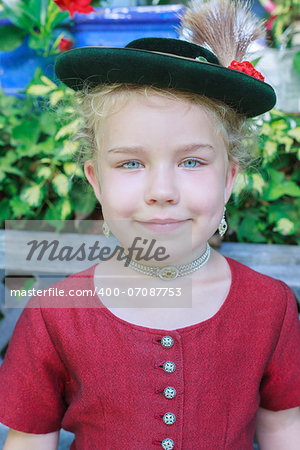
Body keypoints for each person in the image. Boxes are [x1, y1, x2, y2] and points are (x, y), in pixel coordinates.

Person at [0, 0, 299, 449]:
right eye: (132, 163)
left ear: (229, 178)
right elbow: (29, 442)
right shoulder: (55, 312)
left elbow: (283, 429)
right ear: (97, 182)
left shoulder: (270, 307)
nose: (162, 190)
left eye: (193, 161)